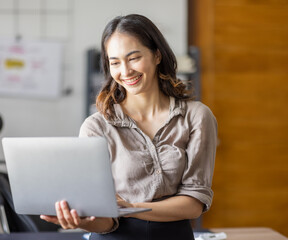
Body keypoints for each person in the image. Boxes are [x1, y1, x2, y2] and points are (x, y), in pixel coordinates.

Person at [41, 14, 217, 240]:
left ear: (157, 55)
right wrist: (83, 221)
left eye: (133, 58)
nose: (125, 71)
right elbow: (106, 221)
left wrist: (130, 207)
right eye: (115, 62)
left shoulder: (196, 117)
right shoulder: (96, 127)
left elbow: (194, 204)